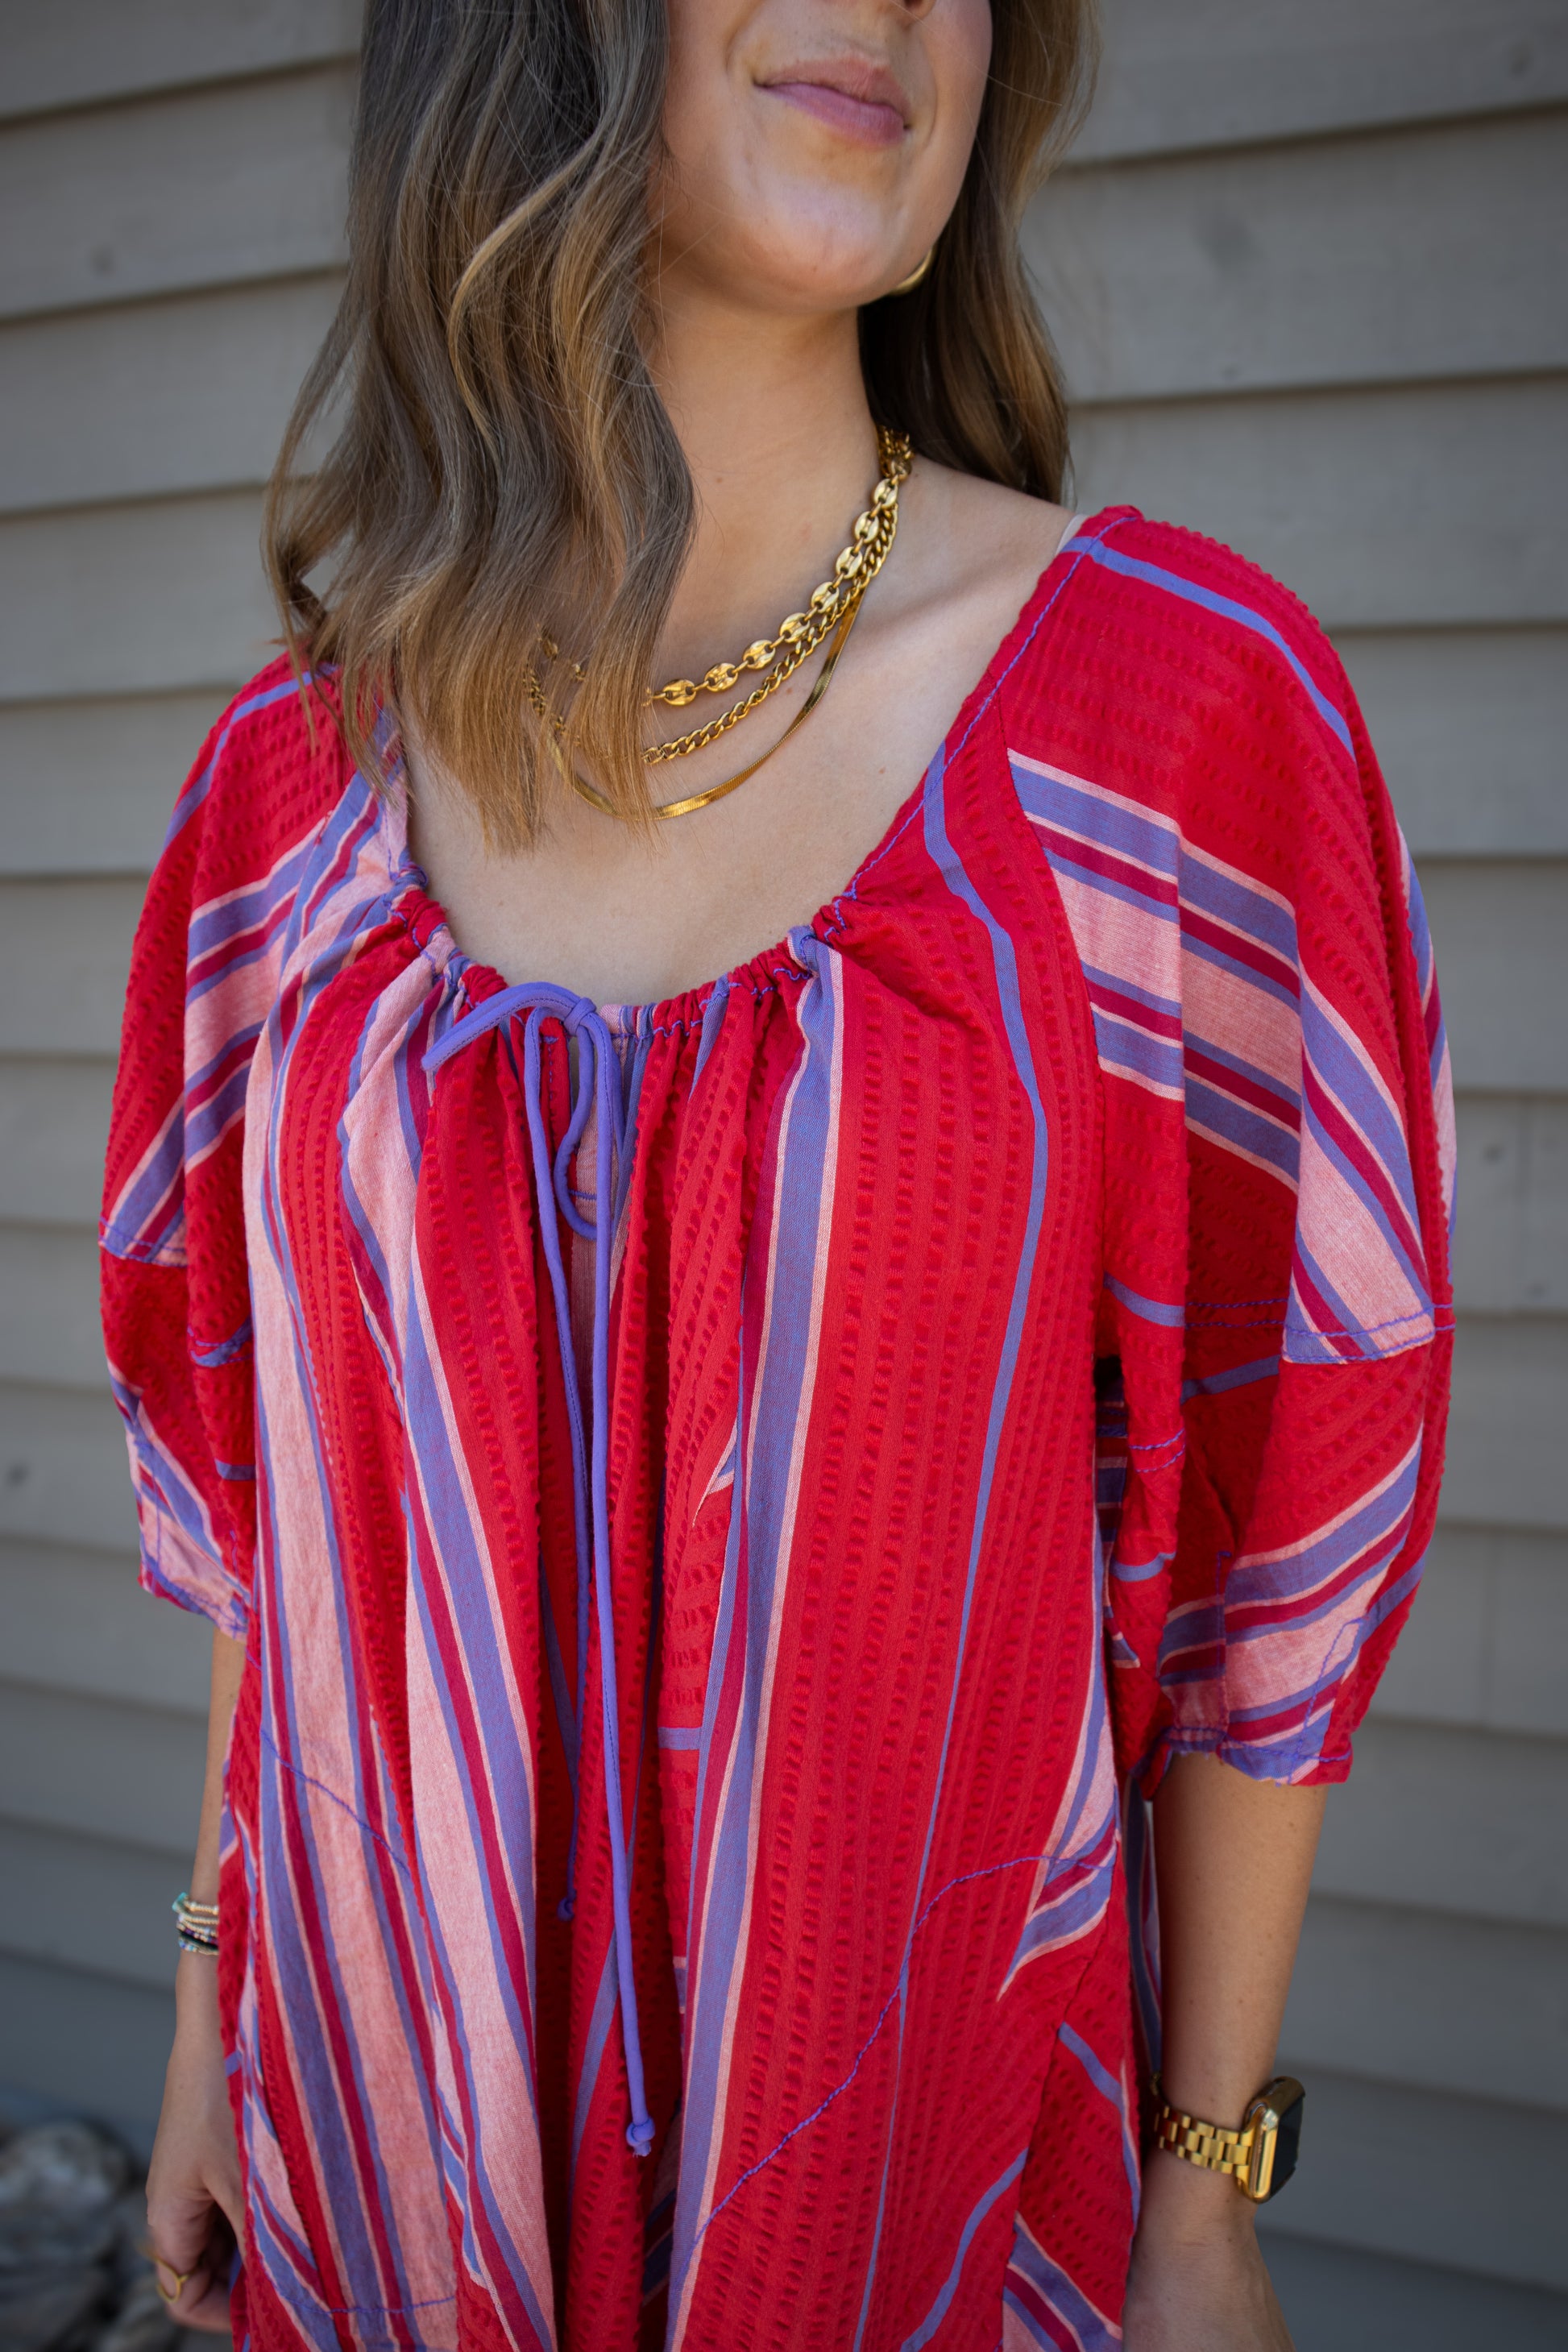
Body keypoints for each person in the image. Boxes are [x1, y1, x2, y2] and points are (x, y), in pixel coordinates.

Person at [100, 0, 1454, 2345]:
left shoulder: (1165, 725)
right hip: (381, 2164)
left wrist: (1202, 2193)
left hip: (912, 2193)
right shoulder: (284, 802)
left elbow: (1283, 1531)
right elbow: (274, 1494)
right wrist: (213, 1996)